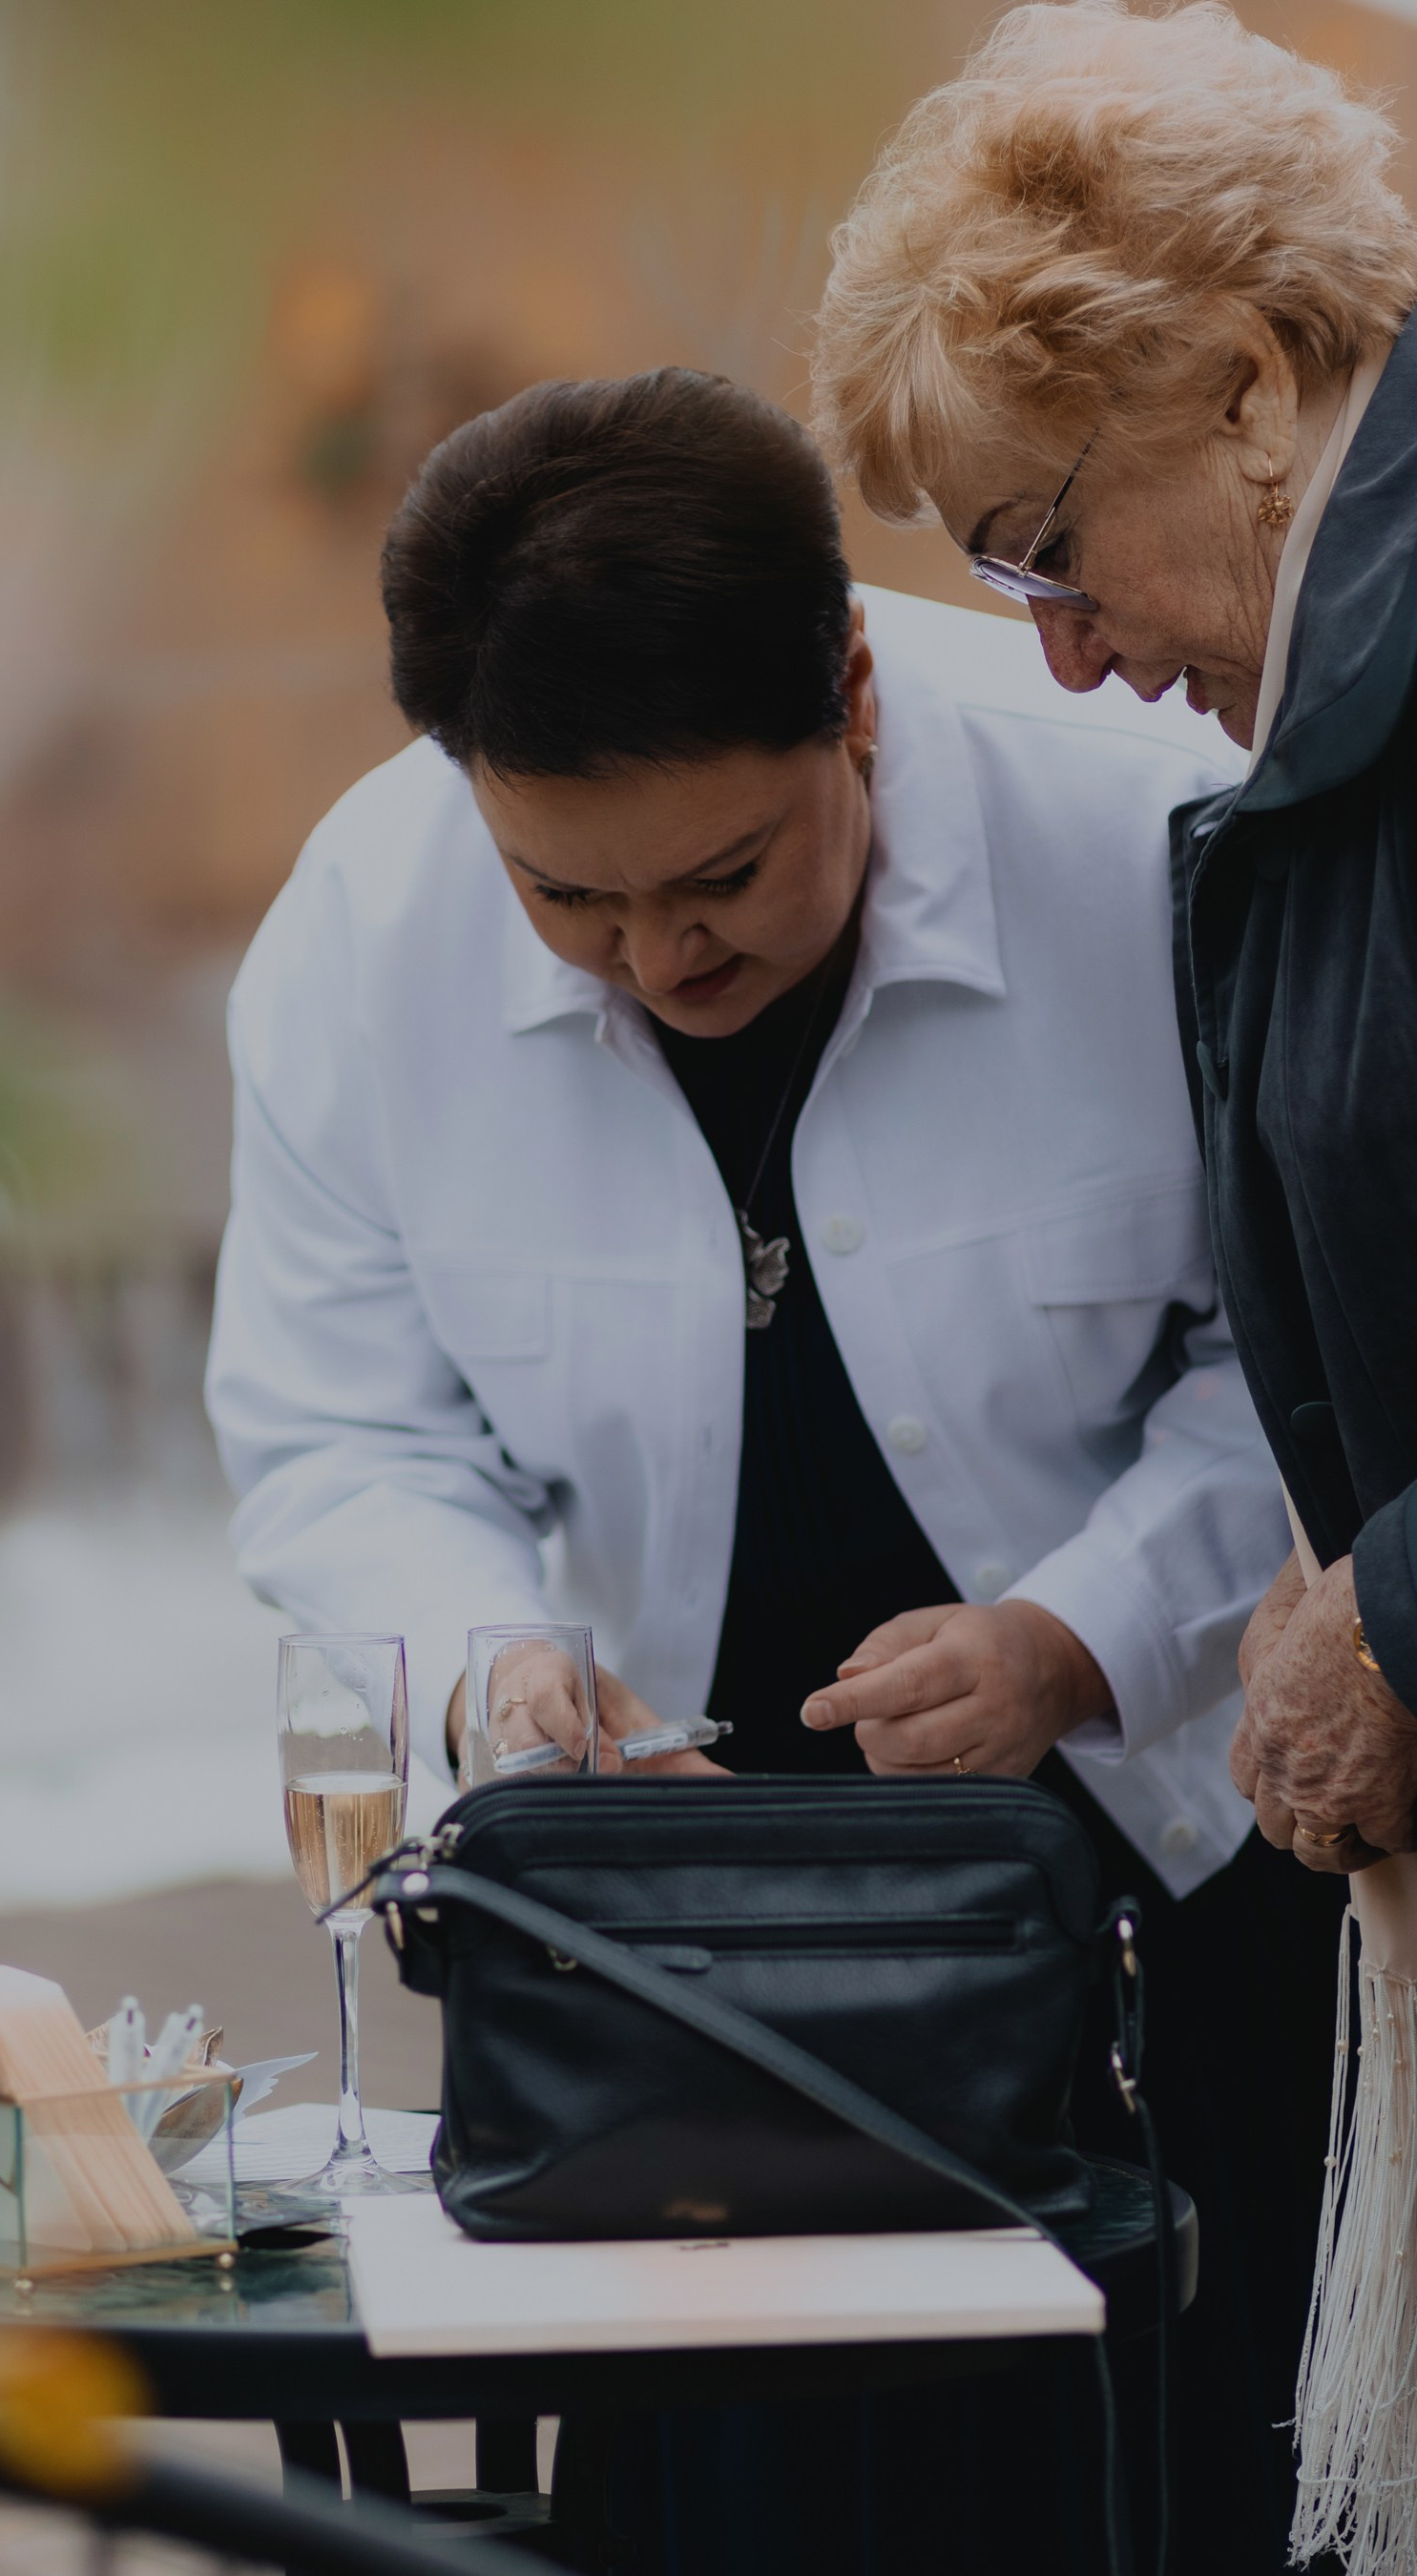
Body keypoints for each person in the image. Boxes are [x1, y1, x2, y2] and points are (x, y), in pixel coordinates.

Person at [207, 367, 1315, 2566]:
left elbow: (1298, 1350)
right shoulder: (361, 930)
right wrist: (494, 1675)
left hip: (1179, 1881)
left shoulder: (1156, 818)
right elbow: (340, 1432)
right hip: (676, 1954)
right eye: (569, 904)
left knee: (1194, 2481)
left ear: (854, 695)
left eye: (719, 877)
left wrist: (1078, 1637)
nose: (657, 959)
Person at [809, 5, 1417, 2561]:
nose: (1050, 648)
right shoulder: (1328, 725)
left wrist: (1403, 1592)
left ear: (1255, 385)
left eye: (1047, 539)